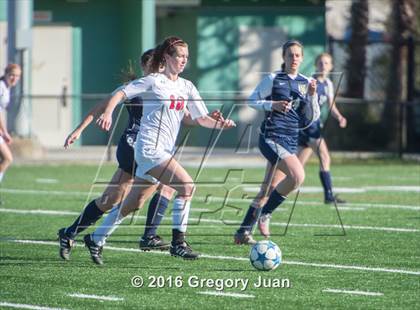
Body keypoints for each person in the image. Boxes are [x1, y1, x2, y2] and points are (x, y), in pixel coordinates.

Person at [58, 49, 223, 261]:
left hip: (157, 149)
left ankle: (87, 235)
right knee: (120, 197)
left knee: (133, 201)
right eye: (153, 65)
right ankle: (158, 237)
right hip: (134, 145)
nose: (158, 69)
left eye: (160, 65)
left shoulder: (169, 87)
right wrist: (79, 130)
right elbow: (100, 107)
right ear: (145, 67)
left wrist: (210, 118)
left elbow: (188, 117)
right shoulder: (141, 85)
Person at [234, 40, 319, 243]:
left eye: (297, 55)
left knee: (269, 189)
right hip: (271, 137)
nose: (294, 58)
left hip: (290, 140)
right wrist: (272, 104)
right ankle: (265, 214)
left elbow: (313, 116)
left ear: (302, 58)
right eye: (290, 55)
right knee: (297, 176)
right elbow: (251, 101)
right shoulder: (273, 78)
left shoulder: (306, 82)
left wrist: (313, 97)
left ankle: (243, 232)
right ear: (284, 57)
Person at [297, 52, 347, 204]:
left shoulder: (328, 84)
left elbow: (331, 105)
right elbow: (301, 104)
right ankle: (329, 196)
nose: (323, 66)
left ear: (331, 66)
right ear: (315, 65)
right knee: (325, 157)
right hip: (309, 126)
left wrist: (339, 116)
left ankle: (272, 190)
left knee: (297, 169)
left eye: (326, 63)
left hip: (312, 126)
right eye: (320, 63)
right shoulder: (309, 82)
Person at [0, 64, 22, 199]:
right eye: (12, 75)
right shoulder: (1, 87)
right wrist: (5, 132)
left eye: (17, 76)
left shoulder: (6, 88)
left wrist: (4, 131)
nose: (14, 78)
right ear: (6, 74)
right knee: (8, 158)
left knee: (7, 158)